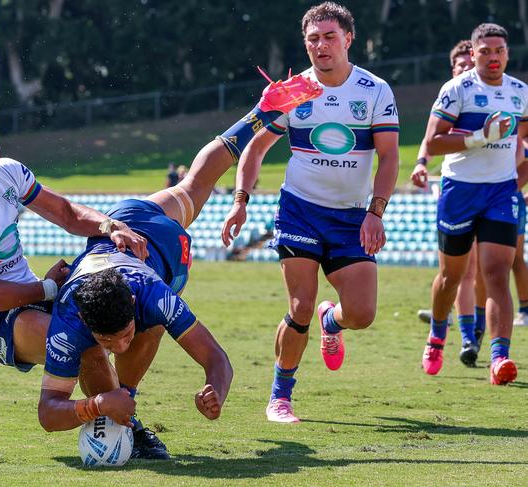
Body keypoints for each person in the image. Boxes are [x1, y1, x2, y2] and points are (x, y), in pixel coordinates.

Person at [37, 72, 324, 456]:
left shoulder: (154, 296)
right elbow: (47, 412)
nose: (120, 346)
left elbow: (217, 359)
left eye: (124, 333)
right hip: (137, 241)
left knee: (196, 186)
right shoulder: (69, 317)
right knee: (195, 185)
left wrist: (216, 390)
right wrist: (95, 406)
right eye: (113, 340)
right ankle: (127, 417)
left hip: (146, 235)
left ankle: (262, 111)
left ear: (133, 307)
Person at [221, 1, 399, 423]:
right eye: (313, 39)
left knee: (361, 314)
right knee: (300, 304)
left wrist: (376, 212)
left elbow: (390, 158)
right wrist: (240, 201)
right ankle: (280, 397)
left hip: (352, 216)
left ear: (348, 39)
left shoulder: (374, 91)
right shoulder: (293, 92)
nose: (321, 46)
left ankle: (332, 323)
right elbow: (255, 148)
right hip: (299, 210)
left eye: (329, 37)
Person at [0, 104, 148, 374]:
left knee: (132, 317)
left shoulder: (8, 172)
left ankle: (119, 407)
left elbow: (66, 213)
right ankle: (109, 414)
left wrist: (110, 226)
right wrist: (48, 288)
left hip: (35, 291)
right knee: (82, 345)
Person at [419, 23, 528, 385]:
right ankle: (437, 336)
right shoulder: (457, 89)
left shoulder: (519, 92)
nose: (493, 57)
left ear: (507, 53)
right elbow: (433, 142)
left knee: (497, 273)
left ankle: (499, 358)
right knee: (453, 277)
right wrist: (480, 137)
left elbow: (523, 134)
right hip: (460, 191)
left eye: (499, 51)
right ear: (475, 53)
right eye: (485, 51)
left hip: (500, 192)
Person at [412, 41, 482, 366]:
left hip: (491, 189)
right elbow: (429, 138)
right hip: (455, 188)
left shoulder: (490, 96)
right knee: (460, 272)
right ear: (452, 69)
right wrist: (421, 164)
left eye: (471, 63)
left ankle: (473, 333)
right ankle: (462, 332)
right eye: (460, 65)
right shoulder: (450, 95)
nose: (466, 69)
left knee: (481, 269)